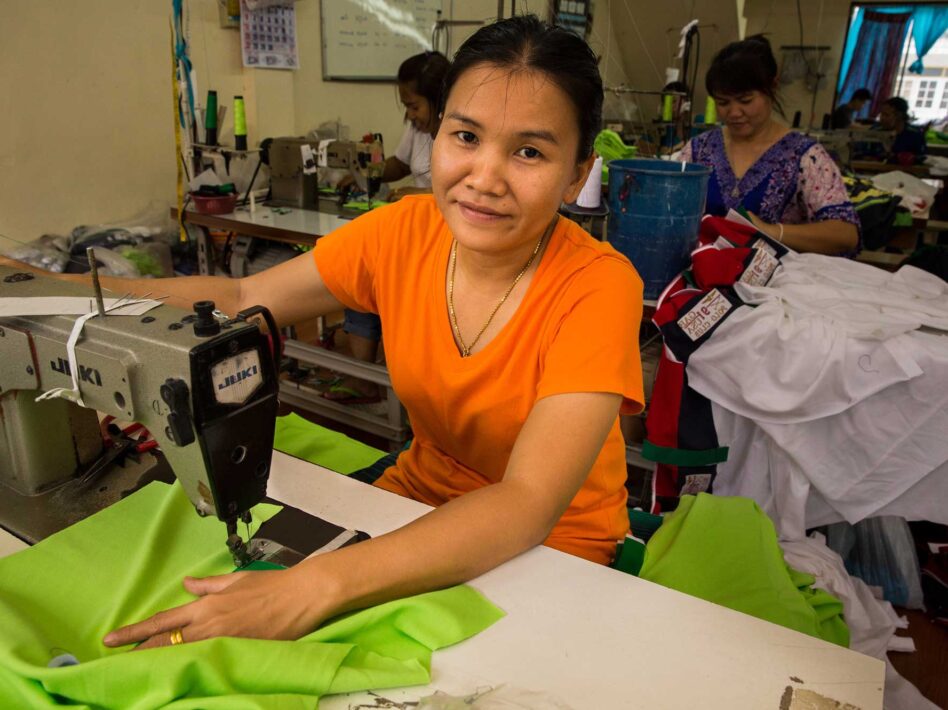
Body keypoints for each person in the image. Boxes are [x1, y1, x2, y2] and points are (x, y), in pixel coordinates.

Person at [2, 15, 644, 648]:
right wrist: (42, 286)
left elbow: (529, 501)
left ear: (579, 173)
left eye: (529, 151)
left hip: (554, 544)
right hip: (414, 496)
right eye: (466, 136)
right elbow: (244, 294)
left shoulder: (597, 286)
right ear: (436, 132)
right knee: (205, 621)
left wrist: (318, 585)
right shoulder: (405, 232)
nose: (485, 177)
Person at [331, 50, 451, 403]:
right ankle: (363, 375)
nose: (408, 114)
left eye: (414, 105)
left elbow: (465, 191)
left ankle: (406, 381)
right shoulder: (418, 128)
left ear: (438, 98)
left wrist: (423, 194)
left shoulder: (460, 133)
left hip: (445, 240)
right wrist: (365, 172)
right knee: (361, 272)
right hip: (412, 231)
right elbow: (399, 163)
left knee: (384, 279)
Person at [679, 36, 860, 256]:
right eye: (723, 103)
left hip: (778, 284)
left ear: (772, 88)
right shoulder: (699, 149)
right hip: (701, 276)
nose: (734, 113)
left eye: (745, 100)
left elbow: (845, 234)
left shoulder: (805, 156)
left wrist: (771, 231)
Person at [879, 96, 927, 165]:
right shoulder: (876, 131)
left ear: (899, 115)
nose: (881, 118)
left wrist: (906, 158)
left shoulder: (915, 135)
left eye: (886, 115)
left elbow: (922, 158)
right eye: (881, 114)